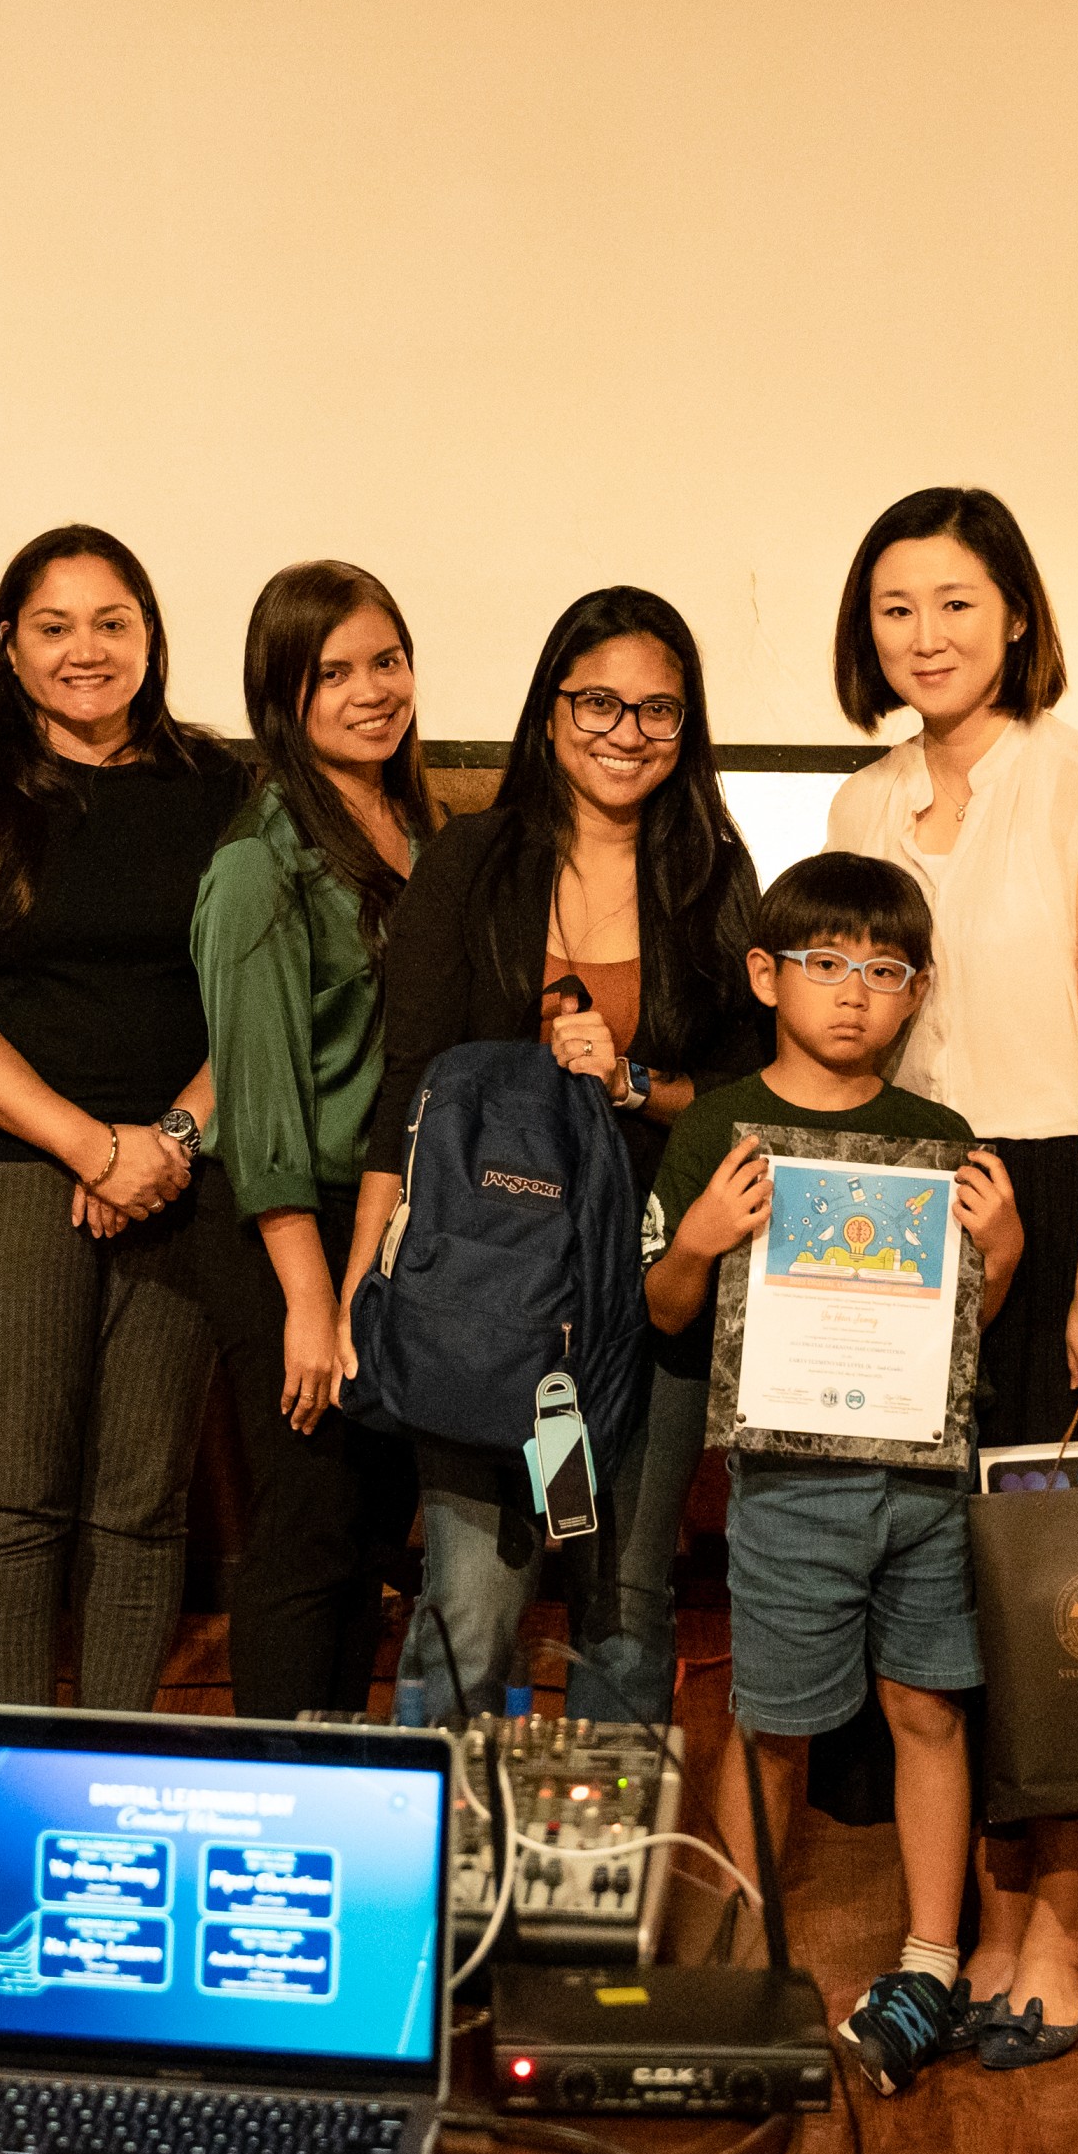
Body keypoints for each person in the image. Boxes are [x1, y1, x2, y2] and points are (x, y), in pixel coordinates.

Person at [817, 487, 1078, 2070]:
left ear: (1015, 612)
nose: (927, 635)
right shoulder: (861, 802)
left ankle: (1061, 1925)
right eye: (897, 606)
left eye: (956, 602)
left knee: (1061, 1578)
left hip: (1063, 1190)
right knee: (935, 1583)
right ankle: (950, 1919)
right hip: (908, 1203)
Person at [643, 850, 1023, 2096]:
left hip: (918, 1481)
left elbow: (964, 1325)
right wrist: (695, 1239)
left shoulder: (937, 1137)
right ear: (766, 973)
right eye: (824, 964)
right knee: (773, 1728)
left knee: (929, 1707)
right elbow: (657, 1309)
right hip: (785, 1483)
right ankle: (743, 1962)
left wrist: (1005, 1253)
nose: (852, 992)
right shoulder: (714, 1124)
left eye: (883, 969)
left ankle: (927, 1959)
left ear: (917, 989)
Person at [351, 587, 761, 1727]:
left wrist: (633, 1079)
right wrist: (356, 1283)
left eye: (657, 710)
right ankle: (436, 1881)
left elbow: (739, 1096)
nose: (625, 731)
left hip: (651, 1280)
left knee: (623, 1600)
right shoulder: (471, 863)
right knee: (469, 1603)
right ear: (548, 712)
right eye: (598, 702)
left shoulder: (714, 874)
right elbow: (409, 1083)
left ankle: (596, 1891)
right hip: (483, 1284)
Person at [0, 525, 248, 1712]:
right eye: (53, 625)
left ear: (149, 635)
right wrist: (90, 1144)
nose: (84, 649)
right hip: (3, 1176)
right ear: (9, 643)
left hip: (182, 1178)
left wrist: (170, 1142)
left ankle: (106, 1764)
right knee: (9, 1500)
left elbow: (264, 993)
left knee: (142, 1503)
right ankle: (4, 1772)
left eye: (111, 622)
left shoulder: (228, 791)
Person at [186, 562, 437, 1718]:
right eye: (330, 672)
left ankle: (334, 1769)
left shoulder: (411, 823)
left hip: (392, 1224)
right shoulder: (259, 863)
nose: (368, 690)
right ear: (281, 697)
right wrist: (308, 1297)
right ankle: (281, 1815)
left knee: (363, 1535)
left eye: (383, 659)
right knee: (304, 1534)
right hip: (296, 1228)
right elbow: (263, 1105)